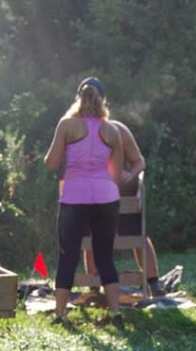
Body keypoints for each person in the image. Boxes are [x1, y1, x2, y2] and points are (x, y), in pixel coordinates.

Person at [44, 76, 124, 327]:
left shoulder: (67, 125)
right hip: (106, 197)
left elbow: (51, 164)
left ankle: (60, 314)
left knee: (68, 256)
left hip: (74, 196)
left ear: (78, 97)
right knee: (105, 256)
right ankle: (115, 314)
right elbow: (117, 173)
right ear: (103, 99)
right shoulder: (112, 130)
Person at [81, 119, 166, 298]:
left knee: (137, 234)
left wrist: (131, 174)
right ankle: (94, 287)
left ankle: (154, 283)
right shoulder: (76, 132)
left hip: (123, 191)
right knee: (90, 234)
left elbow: (139, 162)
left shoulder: (119, 130)